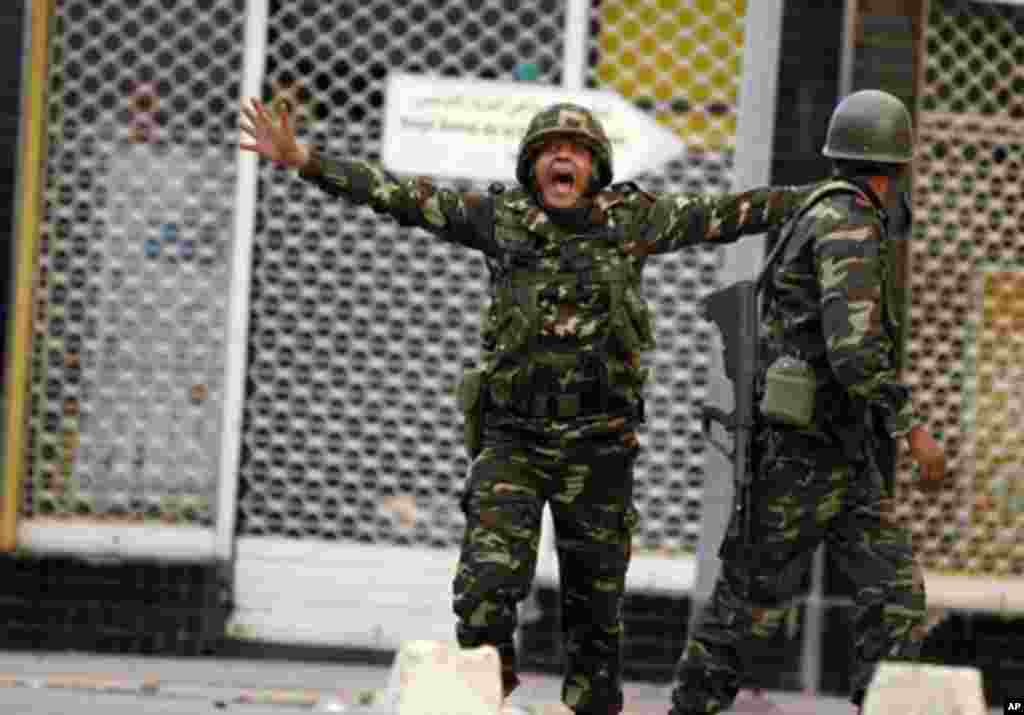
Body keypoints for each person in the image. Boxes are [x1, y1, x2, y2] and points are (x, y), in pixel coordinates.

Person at [240, 97, 809, 715]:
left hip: (599, 449)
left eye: (577, 150)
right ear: (530, 166)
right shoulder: (500, 219)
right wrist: (304, 159)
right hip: (514, 443)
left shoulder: (632, 222)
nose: (562, 156)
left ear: (596, 169)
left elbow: (729, 213)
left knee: (594, 617)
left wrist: (823, 197)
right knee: (485, 591)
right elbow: (400, 196)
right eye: (548, 149)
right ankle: (489, 697)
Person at [667, 89, 948, 715]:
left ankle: (883, 705)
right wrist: (913, 429)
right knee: (746, 602)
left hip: (837, 455)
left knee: (893, 590)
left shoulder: (826, 210)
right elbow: (855, 354)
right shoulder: (847, 222)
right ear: (896, 165)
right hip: (800, 460)